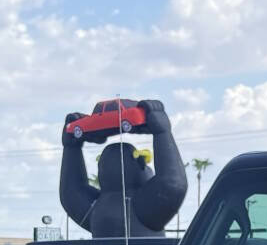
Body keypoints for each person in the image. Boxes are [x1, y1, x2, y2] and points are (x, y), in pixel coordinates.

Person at [58, 99, 187, 236]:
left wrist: (71, 148)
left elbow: (71, 191)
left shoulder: (96, 207)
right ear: (141, 165)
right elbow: (172, 183)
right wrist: (162, 132)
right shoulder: (144, 206)